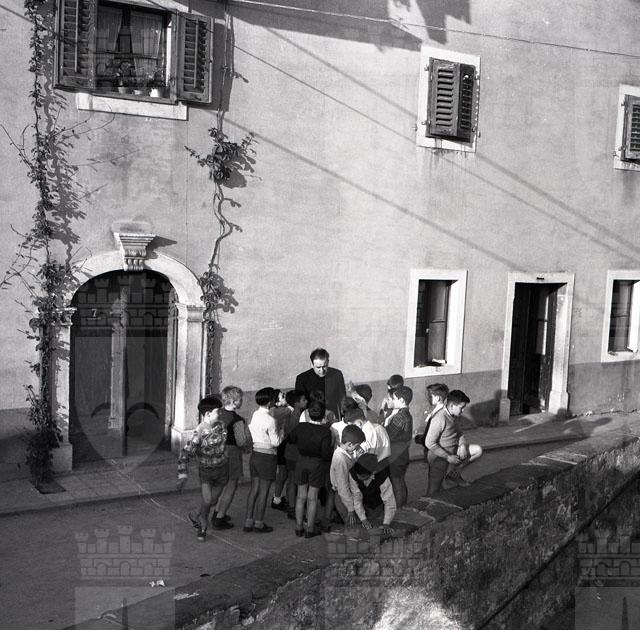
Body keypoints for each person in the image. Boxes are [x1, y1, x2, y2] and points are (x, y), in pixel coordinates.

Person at [177, 395, 228, 541]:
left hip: (222, 470)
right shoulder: (198, 432)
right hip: (206, 472)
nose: (220, 414)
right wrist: (182, 475)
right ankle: (203, 524)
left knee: (212, 501)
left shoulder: (221, 425)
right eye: (218, 411)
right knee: (207, 500)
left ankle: (195, 514)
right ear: (208, 414)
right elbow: (185, 453)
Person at [288, 400, 334, 537]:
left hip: (301, 461)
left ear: (308, 413)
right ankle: (310, 528)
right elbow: (326, 454)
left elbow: (291, 439)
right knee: (312, 497)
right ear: (323, 415)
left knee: (300, 496)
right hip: (317, 463)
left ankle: (298, 527)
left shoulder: (301, 427)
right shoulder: (325, 432)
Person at [424, 389, 483, 495]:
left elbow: (459, 433)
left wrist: (462, 445)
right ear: (452, 406)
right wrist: (447, 457)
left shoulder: (453, 416)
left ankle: (453, 474)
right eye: (461, 407)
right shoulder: (440, 418)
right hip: (438, 458)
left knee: (477, 450)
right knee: (433, 491)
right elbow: (429, 443)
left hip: (453, 451)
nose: (463, 410)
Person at [244, 387, 283, 533]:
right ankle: (259, 522)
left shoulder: (255, 414)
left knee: (254, 489)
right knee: (264, 491)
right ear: (270, 401)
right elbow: (276, 442)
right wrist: (282, 431)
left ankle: (248, 521)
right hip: (267, 456)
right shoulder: (271, 420)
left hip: (255, 453)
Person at [213, 386, 251, 530]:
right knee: (231, 485)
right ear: (235, 402)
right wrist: (247, 447)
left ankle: (216, 512)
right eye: (240, 399)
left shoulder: (217, 414)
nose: (242, 402)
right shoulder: (237, 420)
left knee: (220, 485)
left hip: (217, 452)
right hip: (232, 453)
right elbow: (241, 441)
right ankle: (220, 516)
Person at [272, 389, 307, 518]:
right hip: (291, 450)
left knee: (290, 478)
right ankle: (288, 504)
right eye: (303, 400)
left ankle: (290, 504)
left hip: (289, 449)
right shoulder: (292, 415)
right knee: (290, 478)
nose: (306, 402)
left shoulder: (292, 413)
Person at [349, 453, 396, 534]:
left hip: (377, 502)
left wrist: (386, 523)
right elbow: (356, 497)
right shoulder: (353, 473)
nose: (359, 478)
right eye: (358, 475)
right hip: (363, 501)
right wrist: (363, 519)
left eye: (363, 476)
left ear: (373, 472)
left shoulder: (382, 476)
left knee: (377, 520)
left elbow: (389, 501)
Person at [330, 423, 366, 527]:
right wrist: (350, 509)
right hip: (344, 498)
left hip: (346, 496)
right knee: (352, 526)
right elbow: (342, 486)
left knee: (354, 526)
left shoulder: (343, 454)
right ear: (350, 444)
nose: (358, 448)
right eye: (357, 446)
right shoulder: (341, 459)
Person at [295, 348, 346, 418]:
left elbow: (342, 399)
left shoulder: (337, 374)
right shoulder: (301, 378)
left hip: (333, 416)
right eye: (318, 367)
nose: (322, 371)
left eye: (324, 366)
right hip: (311, 417)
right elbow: (300, 404)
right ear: (311, 364)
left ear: (328, 362)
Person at [385, 385, 413, 508]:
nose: (393, 400)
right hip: (403, 453)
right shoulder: (407, 414)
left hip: (396, 455)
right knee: (401, 481)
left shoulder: (399, 416)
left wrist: (385, 424)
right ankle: (403, 506)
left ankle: (399, 509)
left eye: (394, 399)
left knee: (396, 483)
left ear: (401, 400)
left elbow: (388, 435)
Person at [416, 383, 450, 461]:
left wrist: (422, 439)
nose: (428, 399)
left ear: (437, 398)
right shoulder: (438, 410)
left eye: (430, 396)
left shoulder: (440, 414)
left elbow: (432, 433)